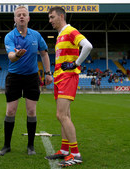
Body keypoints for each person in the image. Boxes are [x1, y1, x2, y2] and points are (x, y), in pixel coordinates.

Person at [0, 6, 53, 156]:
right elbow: (10, 56)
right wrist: (17, 56)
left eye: (24, 15)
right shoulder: (9, 36)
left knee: (31, 111)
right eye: (18, 15)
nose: (21, 17)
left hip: (32, 77)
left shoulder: (36, 35)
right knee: (10, 111)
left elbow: (44, 54)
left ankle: (31, 146)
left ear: (28, 18)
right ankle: (6, 146)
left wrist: (48, 73)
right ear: (14, 19)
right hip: (14, 77)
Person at [45, 6, 93, 167]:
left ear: (61, 16)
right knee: (65, 115)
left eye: (52, 17)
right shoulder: (60, 35)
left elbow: (88, 46)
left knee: (61, 115)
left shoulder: (70, 30)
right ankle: (65, 150)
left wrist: (75, 63)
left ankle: (76, 154)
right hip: (59, 78)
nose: (50, 20)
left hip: (67, 77)